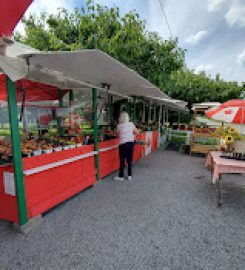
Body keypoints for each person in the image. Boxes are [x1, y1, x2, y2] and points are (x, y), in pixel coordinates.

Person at [114, 111, 139, 181]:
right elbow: (137, 132)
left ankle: (121, 176)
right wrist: (132, 135)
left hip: (122, 145)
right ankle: (129, 175)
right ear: (127, 117)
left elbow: (117, 135)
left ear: (120, 118)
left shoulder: (119, 126)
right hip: (131, 144)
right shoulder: (131, 124)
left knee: (122, 161)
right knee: (129, 161)